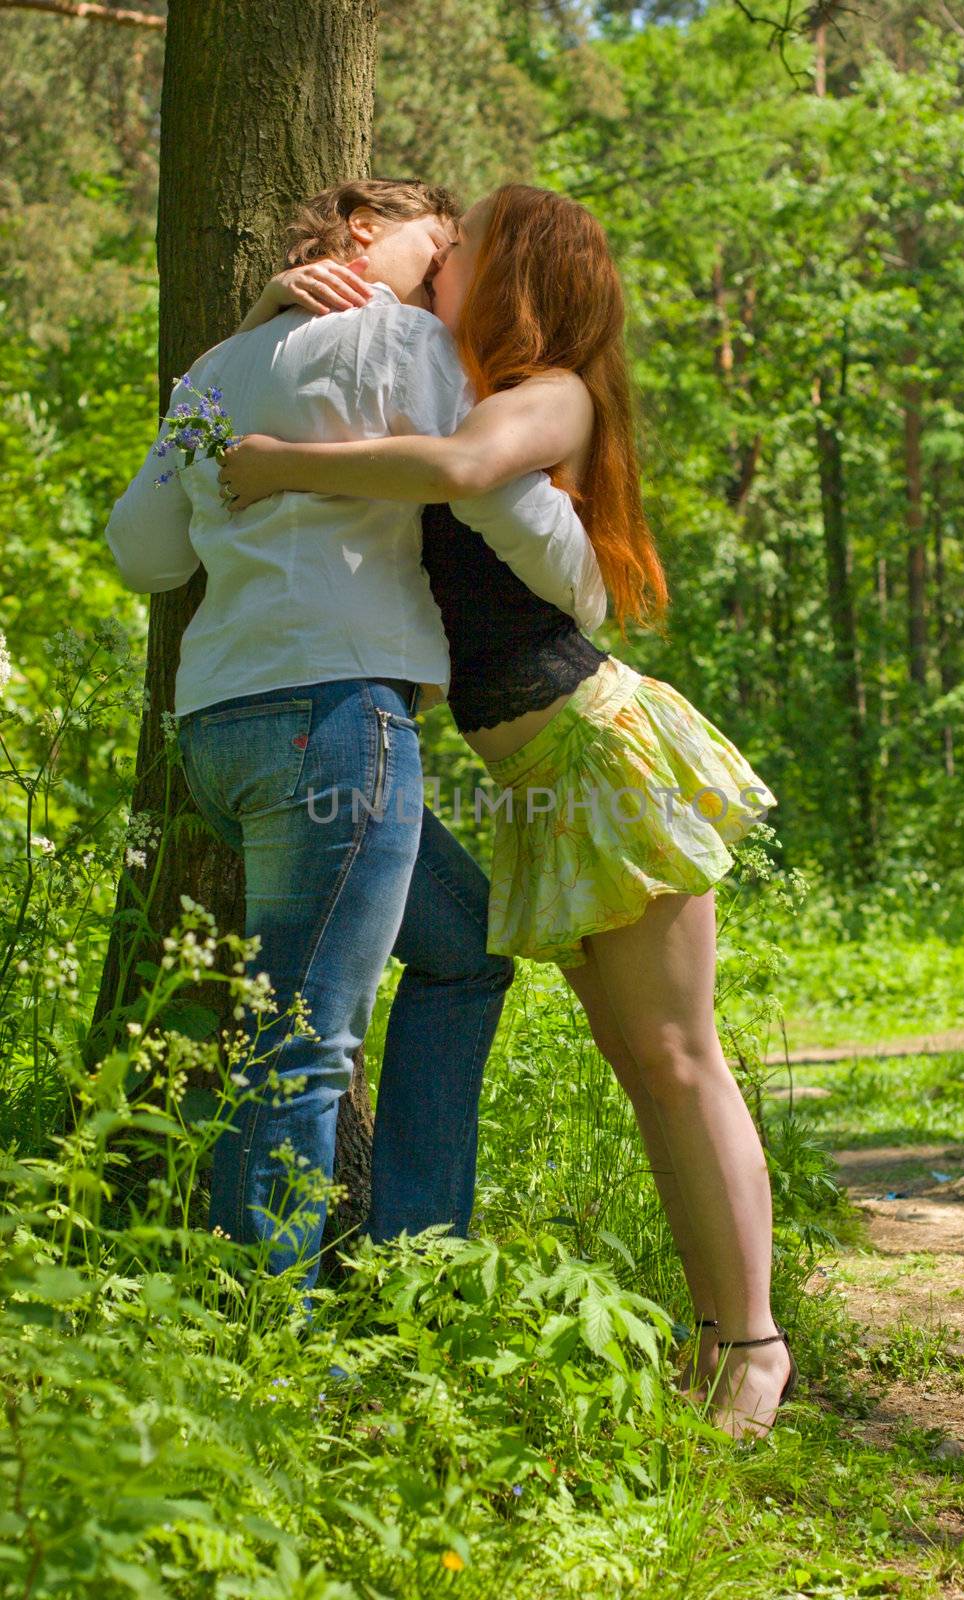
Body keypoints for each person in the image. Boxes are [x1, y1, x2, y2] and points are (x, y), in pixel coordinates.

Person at [217, 183, 797, 1437]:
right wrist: (273, 305)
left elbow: (467, 468)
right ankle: (720, 1334)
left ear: (515, 270)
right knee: (647, 1063)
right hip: (544, 782)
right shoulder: (449, 375)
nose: (442, 261)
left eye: (463, 245)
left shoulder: (555, 396)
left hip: (597, 752)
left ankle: (750, 1343)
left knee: (675, 1059)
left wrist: (271, 465)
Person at [104, 179, 609, 1326]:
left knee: (465, 946)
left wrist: (232, 373)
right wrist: (590, 582)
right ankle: (265, 1336)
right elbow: (500, 504)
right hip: (336, 722)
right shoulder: (411, 342)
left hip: (220, 730)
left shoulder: (216, 372)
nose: (445, 276)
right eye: (437, 248)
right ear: (363, 236)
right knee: (302, 1037)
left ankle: (411, 1272)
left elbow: (144, 556)